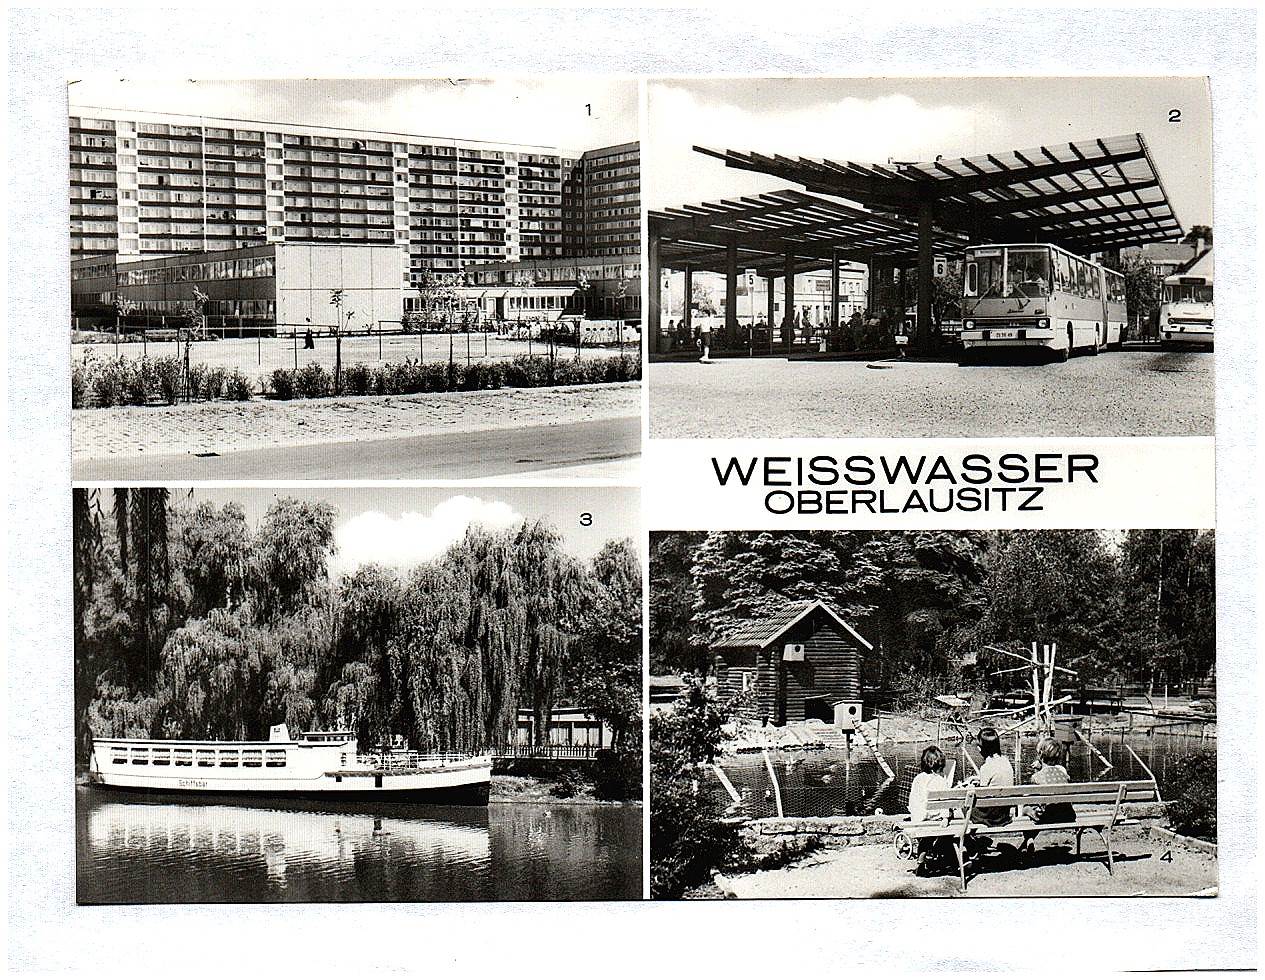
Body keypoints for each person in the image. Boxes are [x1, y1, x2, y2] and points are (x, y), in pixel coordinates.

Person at [1021, 737, 1075, 855]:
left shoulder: (1037, 777)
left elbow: (1031, 797)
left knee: (1026, 807)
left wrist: (1036, 772)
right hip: (1067, 815)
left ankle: (1028, 839)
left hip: (1048, 817)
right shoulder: (1064, 774)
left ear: (1040, 755)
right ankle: (1027, 841)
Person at [908, 745, 954, 875]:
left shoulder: (918, 779)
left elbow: (913, 800)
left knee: (926, 836)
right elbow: (945, 803)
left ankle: (921, 863)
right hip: (936, 817)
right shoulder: (941, 781)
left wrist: (915, 814)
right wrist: (945, 817)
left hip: (921, 816)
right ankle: (949, 858)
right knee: (948, 824)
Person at [972, 727, 1015, 827]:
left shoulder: (986, 767)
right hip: (1004, 813)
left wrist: (972, 787)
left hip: (992, 817)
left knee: (965, 806)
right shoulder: (1005, 761)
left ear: (981, 748)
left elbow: (982, 795)